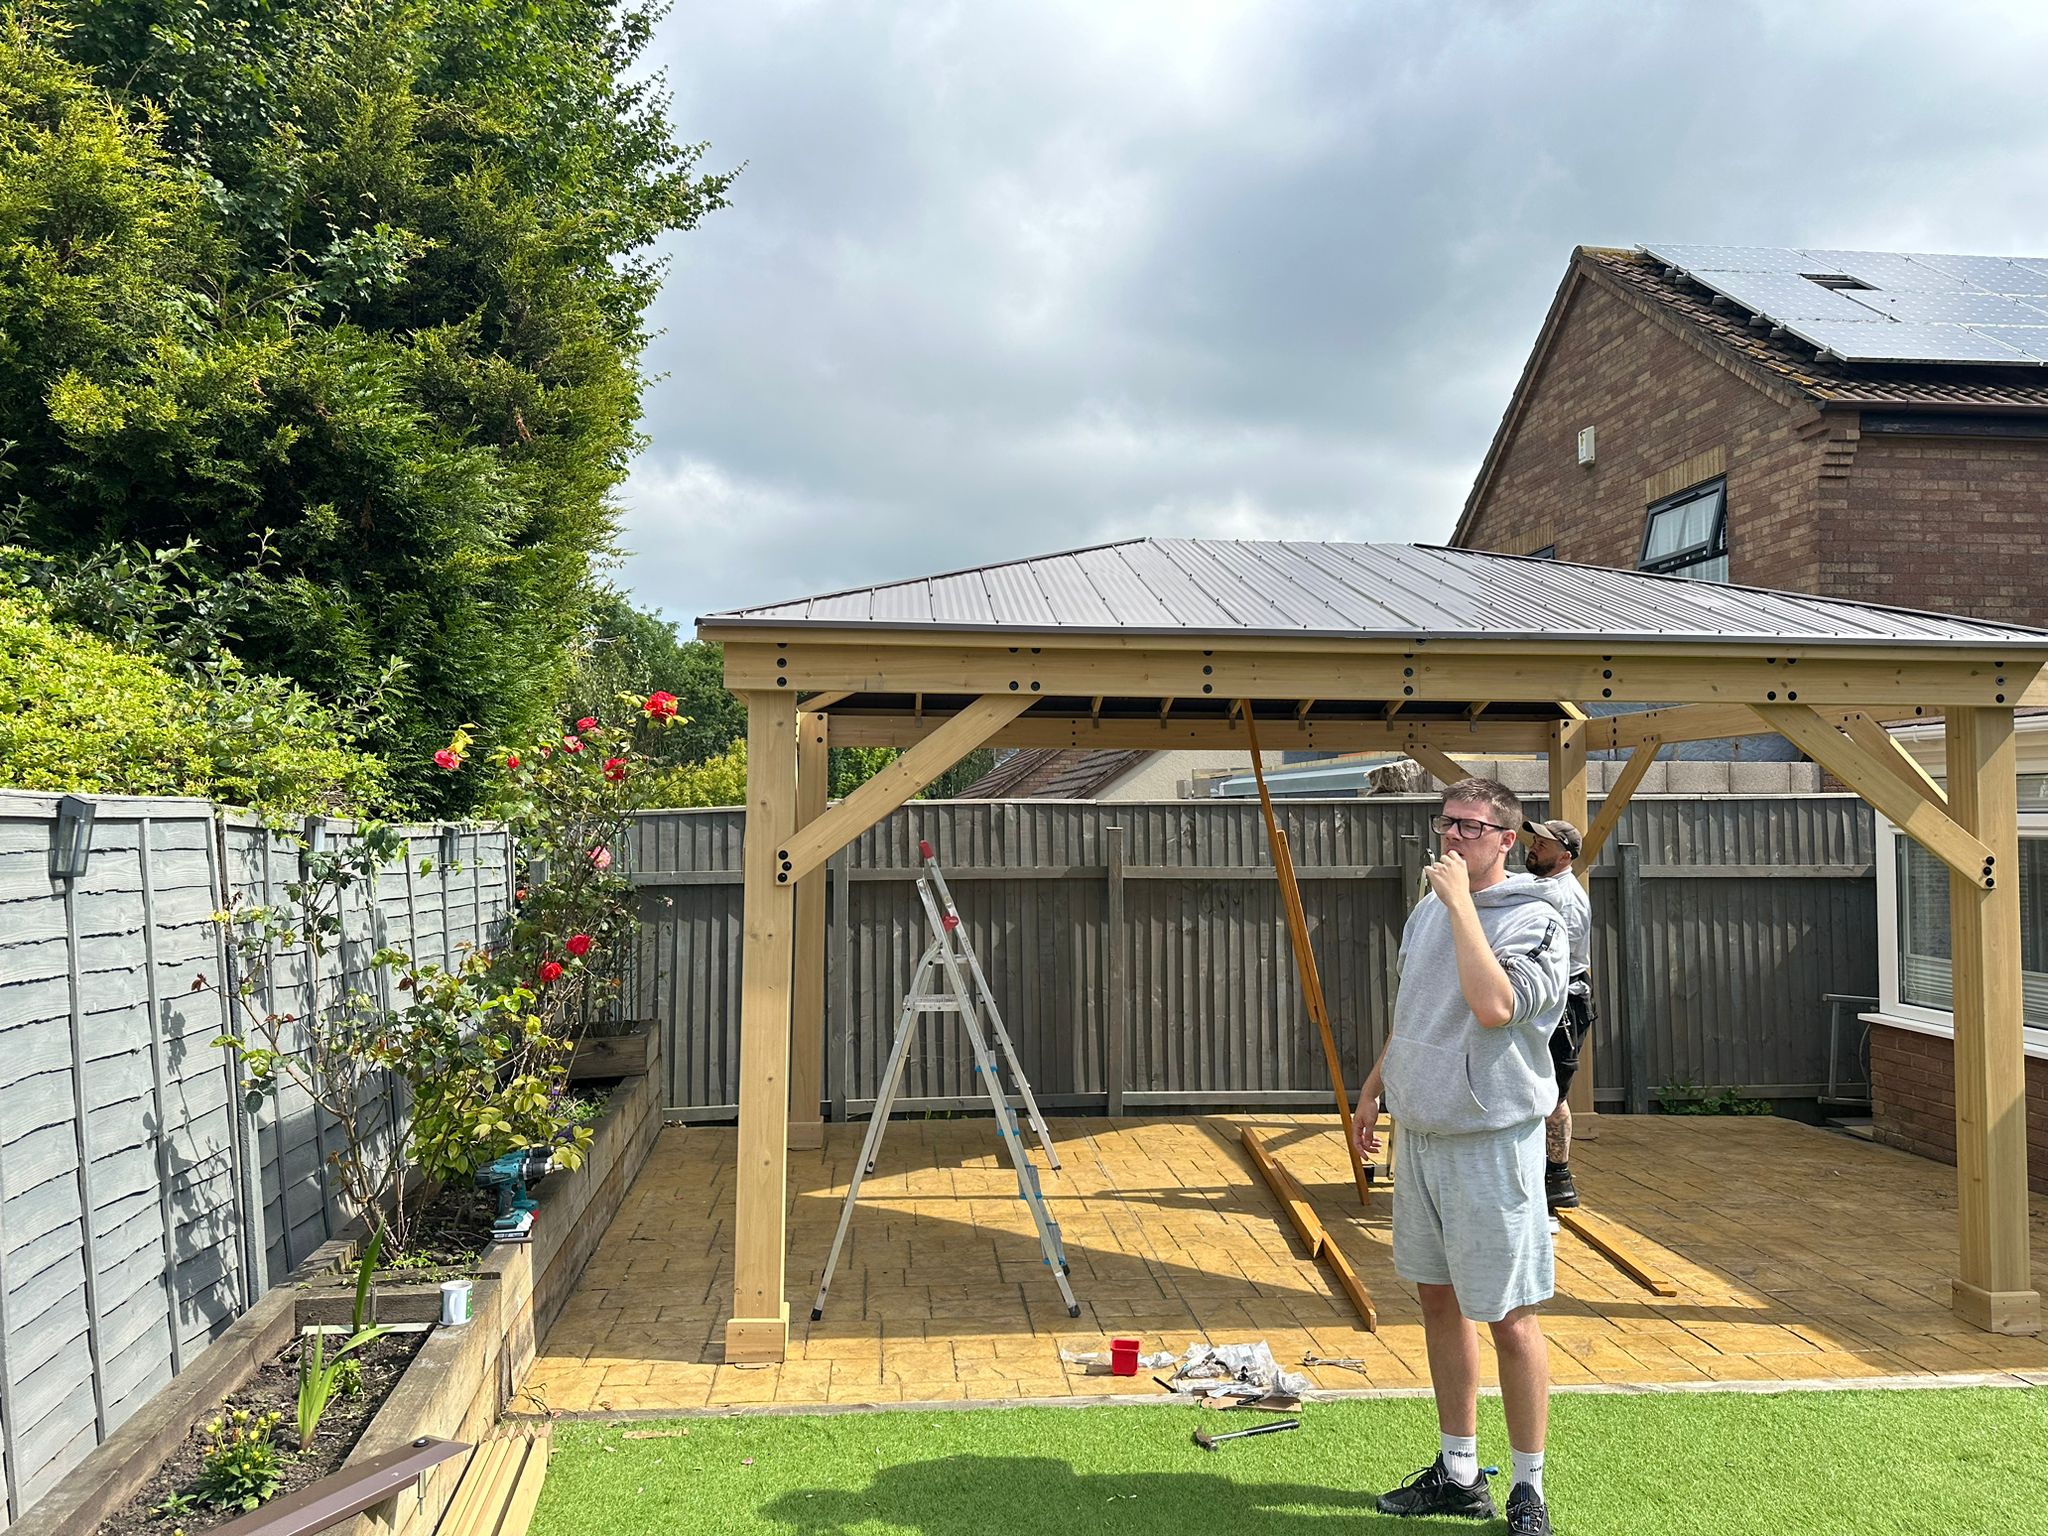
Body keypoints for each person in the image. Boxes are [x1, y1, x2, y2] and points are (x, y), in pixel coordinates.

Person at [1353, 778, 1571, 1536]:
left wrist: (1459, 906)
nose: (1452, 839)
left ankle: (1528, 1487)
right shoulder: (1425, 913)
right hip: (1423, 1138)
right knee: (1436, 1301)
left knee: (1509, 1317)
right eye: (1446, 824)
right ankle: (1458, 1471)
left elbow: (1494, 1006)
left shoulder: (1537, 919)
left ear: (1508, 839)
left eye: (1471, 828)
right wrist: (1376, 1088)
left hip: (1491, 1145)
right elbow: (1416, 1010)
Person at [1523, 818, 1592, 1213]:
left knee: (1552, 1093)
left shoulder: (1565, 899)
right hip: (1548, 1001)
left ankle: (1558, 1179)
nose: (1534, 846)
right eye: (1534, 839)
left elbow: (1553, 962)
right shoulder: (1539, 886)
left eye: (1543, 845)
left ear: (1564, 856)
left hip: (1563, 1003)